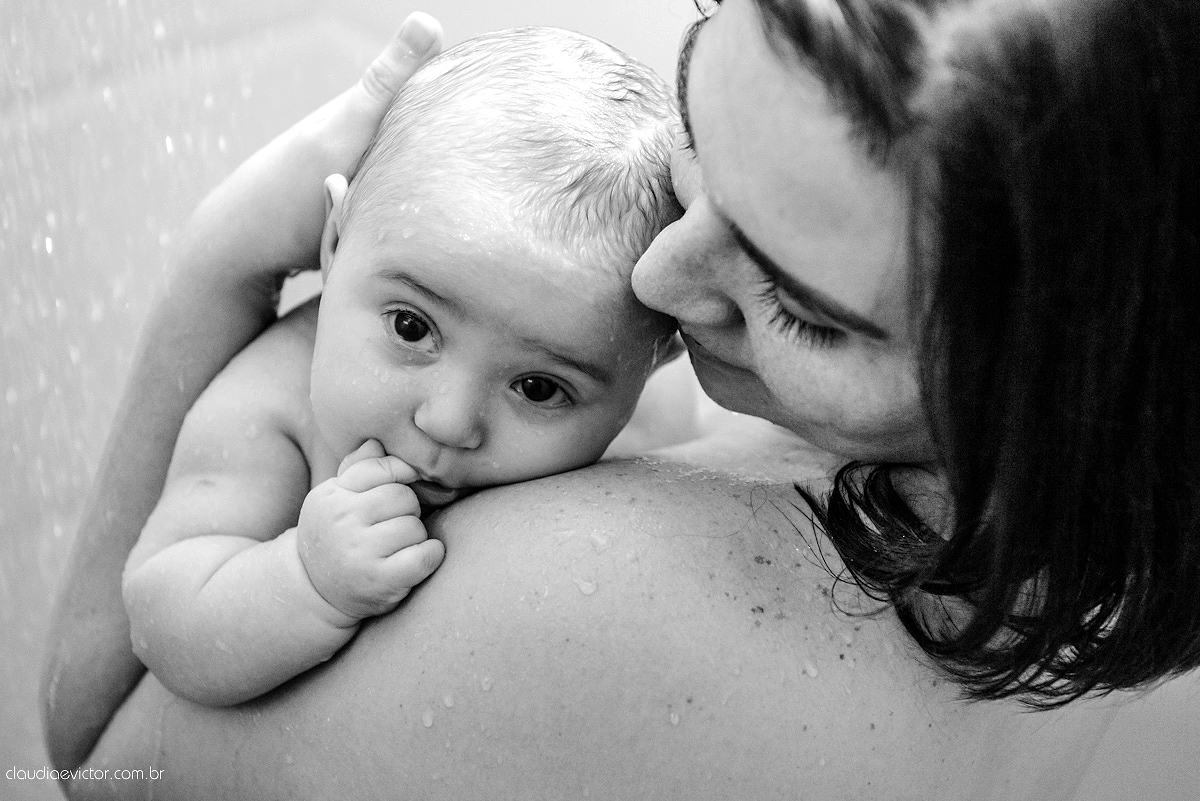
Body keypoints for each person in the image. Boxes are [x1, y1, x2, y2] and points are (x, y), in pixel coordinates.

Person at [42, 0, 1200, 797]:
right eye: (702, 139)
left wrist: (225, 259)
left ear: (1045, 386)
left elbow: (99, 766)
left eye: (797, 306)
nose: (653, 285)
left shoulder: (573, 602)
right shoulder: (1118, 565)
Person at [119, 26, 679, 708]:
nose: (447, 420)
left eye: (538, 388)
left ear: (656, 361)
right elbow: (159, 610)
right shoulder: (268, 412)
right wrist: (303, 580)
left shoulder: (651, 419)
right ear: (333, 241)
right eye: (411, 327)